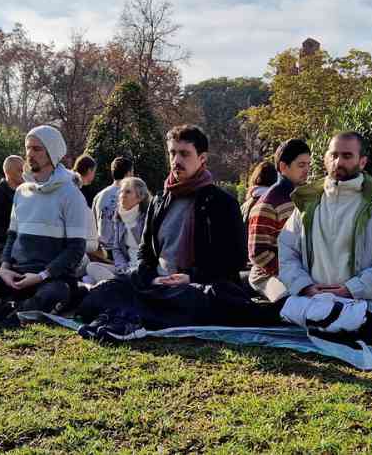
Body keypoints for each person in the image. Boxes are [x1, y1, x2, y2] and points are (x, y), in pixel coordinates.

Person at [76, 125, 282, 340]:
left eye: (184, 154)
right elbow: (145, 253)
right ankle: (128, 315)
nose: (176, 160)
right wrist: (152, 278)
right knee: (106, 289)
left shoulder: (221, 203)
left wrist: (190, 276)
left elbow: (235, 259)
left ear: (202, 158)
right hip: (158, 283)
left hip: (197, 286)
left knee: (187, 299)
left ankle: (127, 317)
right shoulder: (159, 200)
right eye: (173, 153)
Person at [0, 125, 92, 329]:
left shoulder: (71, 194)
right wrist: (4, 268)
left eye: (37, 149)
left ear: (53, 152)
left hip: (51, 279)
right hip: (14, 275)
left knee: (41, 302)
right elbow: (12, 237)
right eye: (28, 148)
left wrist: (41, 276)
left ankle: (1, 308)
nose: (30, 154)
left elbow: (76, 249)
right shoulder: (21, 191)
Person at [277, 132, 372, 348]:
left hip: (368, 299)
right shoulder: (309, 201)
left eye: (347, 156)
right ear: (325, 158)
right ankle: (330, 327)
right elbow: (287, 251)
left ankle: (328, 328)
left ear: (362, 161)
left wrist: (352, 289)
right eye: (333, 155)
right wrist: (305, 287)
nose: (338, 161)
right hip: (314, 297)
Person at [247, 138, 311, 302]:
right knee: (290, 300)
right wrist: (293, 274)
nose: (307, 170)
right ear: (283, 167)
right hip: (266, 275)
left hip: (298, 271)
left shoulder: (305, 198)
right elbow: (258, 253)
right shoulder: (268, 203)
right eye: (301, 165)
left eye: (308, 165)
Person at [83, 176, 150, 285]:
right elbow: (116, 248)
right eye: (121, 191)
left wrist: (135, 268)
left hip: (142, 270)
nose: (122, 195)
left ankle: (118, 286)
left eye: (128, 192)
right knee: (91, 267)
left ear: (140, 197)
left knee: (90, 281)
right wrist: (122, 267)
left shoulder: (147, 217)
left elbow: (149, 251)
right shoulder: (118, 217)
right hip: (126, 268)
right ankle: (120, 285)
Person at [92, 157, 135, 254]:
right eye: (132, 172)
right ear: (128, 173)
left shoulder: (98, 196)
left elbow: (93, 226)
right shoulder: (130, 196)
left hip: (101, 252)